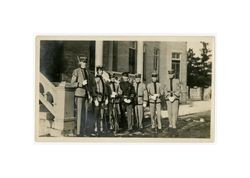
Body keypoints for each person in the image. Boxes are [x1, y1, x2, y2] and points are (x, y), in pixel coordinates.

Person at [71, 56, 96, 136]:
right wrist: (81, 84)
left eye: (86, 62)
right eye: (83, 62)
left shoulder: (88, 72)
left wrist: (90, 95)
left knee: (85, 114)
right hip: (79, 95)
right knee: (79, 114)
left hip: (86, 95)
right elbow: (72, 83)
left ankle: (83, 131)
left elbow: (90, 85)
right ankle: (78, 132)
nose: (85, 64)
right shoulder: (76, 71)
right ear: (80, 63)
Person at [93, 66, 109, 135]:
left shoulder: (103, 79)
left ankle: (101, 128)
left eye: (102, 70)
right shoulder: (95, 79)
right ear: (97, 71)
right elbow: (93, 90)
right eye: (100, 70)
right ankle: (96, 128)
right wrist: (95, 99)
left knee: (102, 114)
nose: (101, 71)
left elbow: (105, 90)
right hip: (97, 98)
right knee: (96, 114)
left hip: (103, 98)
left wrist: (106, 98)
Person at [165, 69, 181, 137]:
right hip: (168, 98)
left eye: (171, 74)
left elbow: (179, 89)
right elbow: (165, 90)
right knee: (169, 112)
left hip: (175, 98)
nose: (170, 75)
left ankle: (174, 127)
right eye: (169, 74)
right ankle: (170, 125)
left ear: (174, 74)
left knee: (175, 112)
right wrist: (168, 96)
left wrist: (174, 96)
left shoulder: (177, 81)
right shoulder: (166, 81)